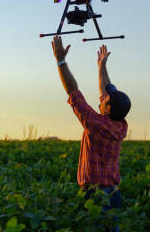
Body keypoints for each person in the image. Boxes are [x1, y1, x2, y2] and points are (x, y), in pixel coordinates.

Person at [51, 35, 131, 221]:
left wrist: (61, 61)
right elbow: (105, 92)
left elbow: (73, 92)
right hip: (113, 193)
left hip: (95, 195)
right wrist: (101, 67)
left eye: (106, 100)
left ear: (107, 108)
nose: (102, 98)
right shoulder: (120, 124)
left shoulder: (96, 124)